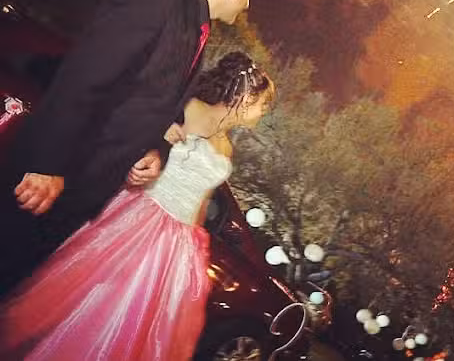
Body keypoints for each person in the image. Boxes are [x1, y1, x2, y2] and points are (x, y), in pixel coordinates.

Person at [0, 0, 261, 295]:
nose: (247, 5)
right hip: (53, 175)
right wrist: (47, 164)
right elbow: (86, 74)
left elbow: (152, 104)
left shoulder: (198, 31)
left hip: (84, 188)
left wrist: (155, 150)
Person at [0, 52, 275, 360]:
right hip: (142, 216)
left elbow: (204, 197)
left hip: (180, 240)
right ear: (245, 97)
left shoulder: (227, 145)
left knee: (145, 324)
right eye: (263, 105)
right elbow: (140, 146)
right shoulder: (190, 107)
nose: (262, 114)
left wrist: (195, 243)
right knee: (101, 304)